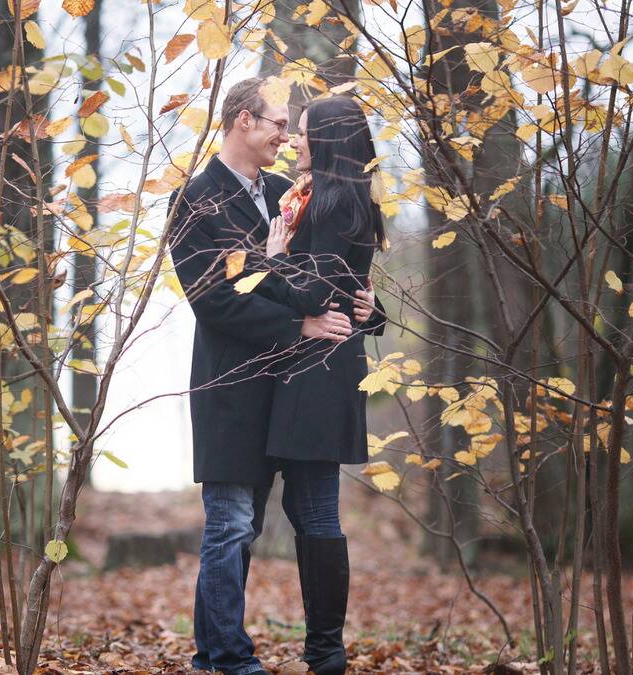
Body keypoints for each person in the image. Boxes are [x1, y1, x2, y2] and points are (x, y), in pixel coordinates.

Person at [167, 78, 379, 675]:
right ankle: (230, 658)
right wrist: (299, 329)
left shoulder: (293, 192)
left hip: (293, 394)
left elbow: (334, 272)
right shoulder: (195, 200)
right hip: (232, 386)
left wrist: (369, 308)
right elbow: (213, 301)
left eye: (293, 129)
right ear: (242, 122)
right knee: (232, 525)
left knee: (271, 524)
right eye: (278, 125)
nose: (287, 138)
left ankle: (214, 657)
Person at [261, 95, 389, 675]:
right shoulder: (334, 198)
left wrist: (271, 258)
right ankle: (324, 650)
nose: (295, 140)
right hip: (323, 362)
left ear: (331, 138)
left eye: (306, 132)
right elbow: (348, 287)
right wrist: (372, 309)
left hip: (321, 369)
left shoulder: (332, 204)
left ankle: (325, 653)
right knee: (307, 503)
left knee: (313, 507)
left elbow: (313, 292)